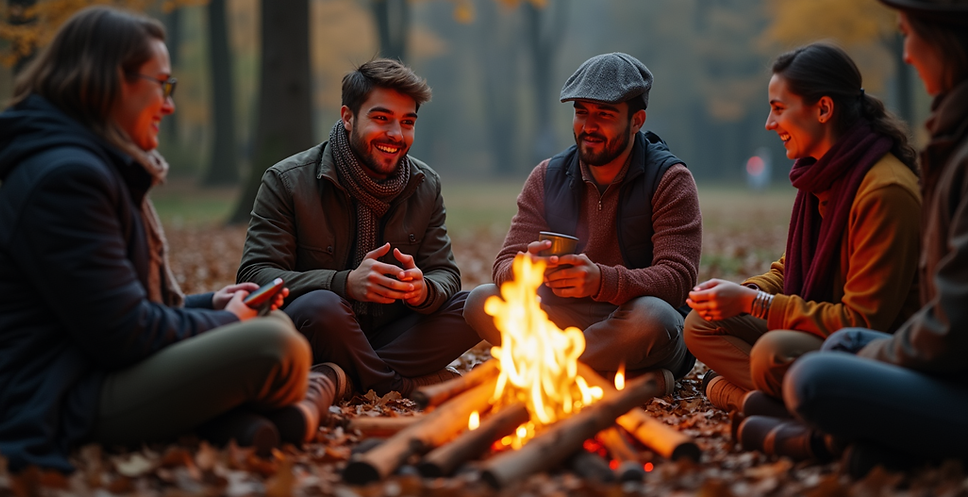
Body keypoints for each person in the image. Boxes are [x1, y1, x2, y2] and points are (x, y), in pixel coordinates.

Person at [0, 6, 337, 473]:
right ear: (111, 80)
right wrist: (229, 323)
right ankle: (246, 418)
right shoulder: (66, 179)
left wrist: (213, 304)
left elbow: (117, 308)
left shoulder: (93, 165)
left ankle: (237, 423)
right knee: (277, 348)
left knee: (275, 330)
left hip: (92, 368)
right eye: (162, 85)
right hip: (58, 391)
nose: (169, 105)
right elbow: (124, 334)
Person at [772, 0, 968, 476]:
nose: (905, 54)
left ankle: (823, 439)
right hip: (935, 354)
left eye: (909, 33)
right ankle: (867, 440)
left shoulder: (886, 186)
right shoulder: (949, 138)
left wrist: (862, 358)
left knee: (814, 376)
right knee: (836, 347)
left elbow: (949, 328)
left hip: (951, 365)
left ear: (947, 36)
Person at [684, 43, 922, 417]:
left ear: (824, 109)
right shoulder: (823, 176)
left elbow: (859, 322)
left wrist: (752, 304)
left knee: (772, 353)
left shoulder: (884, 190)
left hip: (878, 350)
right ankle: (783, 401)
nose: (769, 123)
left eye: (779, 109)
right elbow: (791, 269)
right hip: (822, 330)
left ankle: (763, 401)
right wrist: (740, 294)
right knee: (700, 322)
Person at [237, 59, 480, 399]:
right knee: (322, 304)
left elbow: (445, 274)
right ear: (348, 117)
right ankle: (397, 385)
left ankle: (345, 378)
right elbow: (255, 275)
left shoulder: (426, 185)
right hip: (321, 331)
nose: (396, 135)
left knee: (477, 304)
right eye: (382, 118)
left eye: (407, 122)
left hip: (393, 335)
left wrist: (422, 290)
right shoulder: (287, 180)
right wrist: (345, 284)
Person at [462, 52, 700, 393]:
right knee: (481, 300)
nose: (589, 127)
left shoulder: (669, 179)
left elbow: (678, 278)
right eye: (581, 112)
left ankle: (546, 371)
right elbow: (502, 266)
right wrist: (527, 269)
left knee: (653, 318)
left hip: (634, 324)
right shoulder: (547, 176)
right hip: (563, 319)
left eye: (604, 115)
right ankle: (611, 378)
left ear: (637, 120)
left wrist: (601, 281)